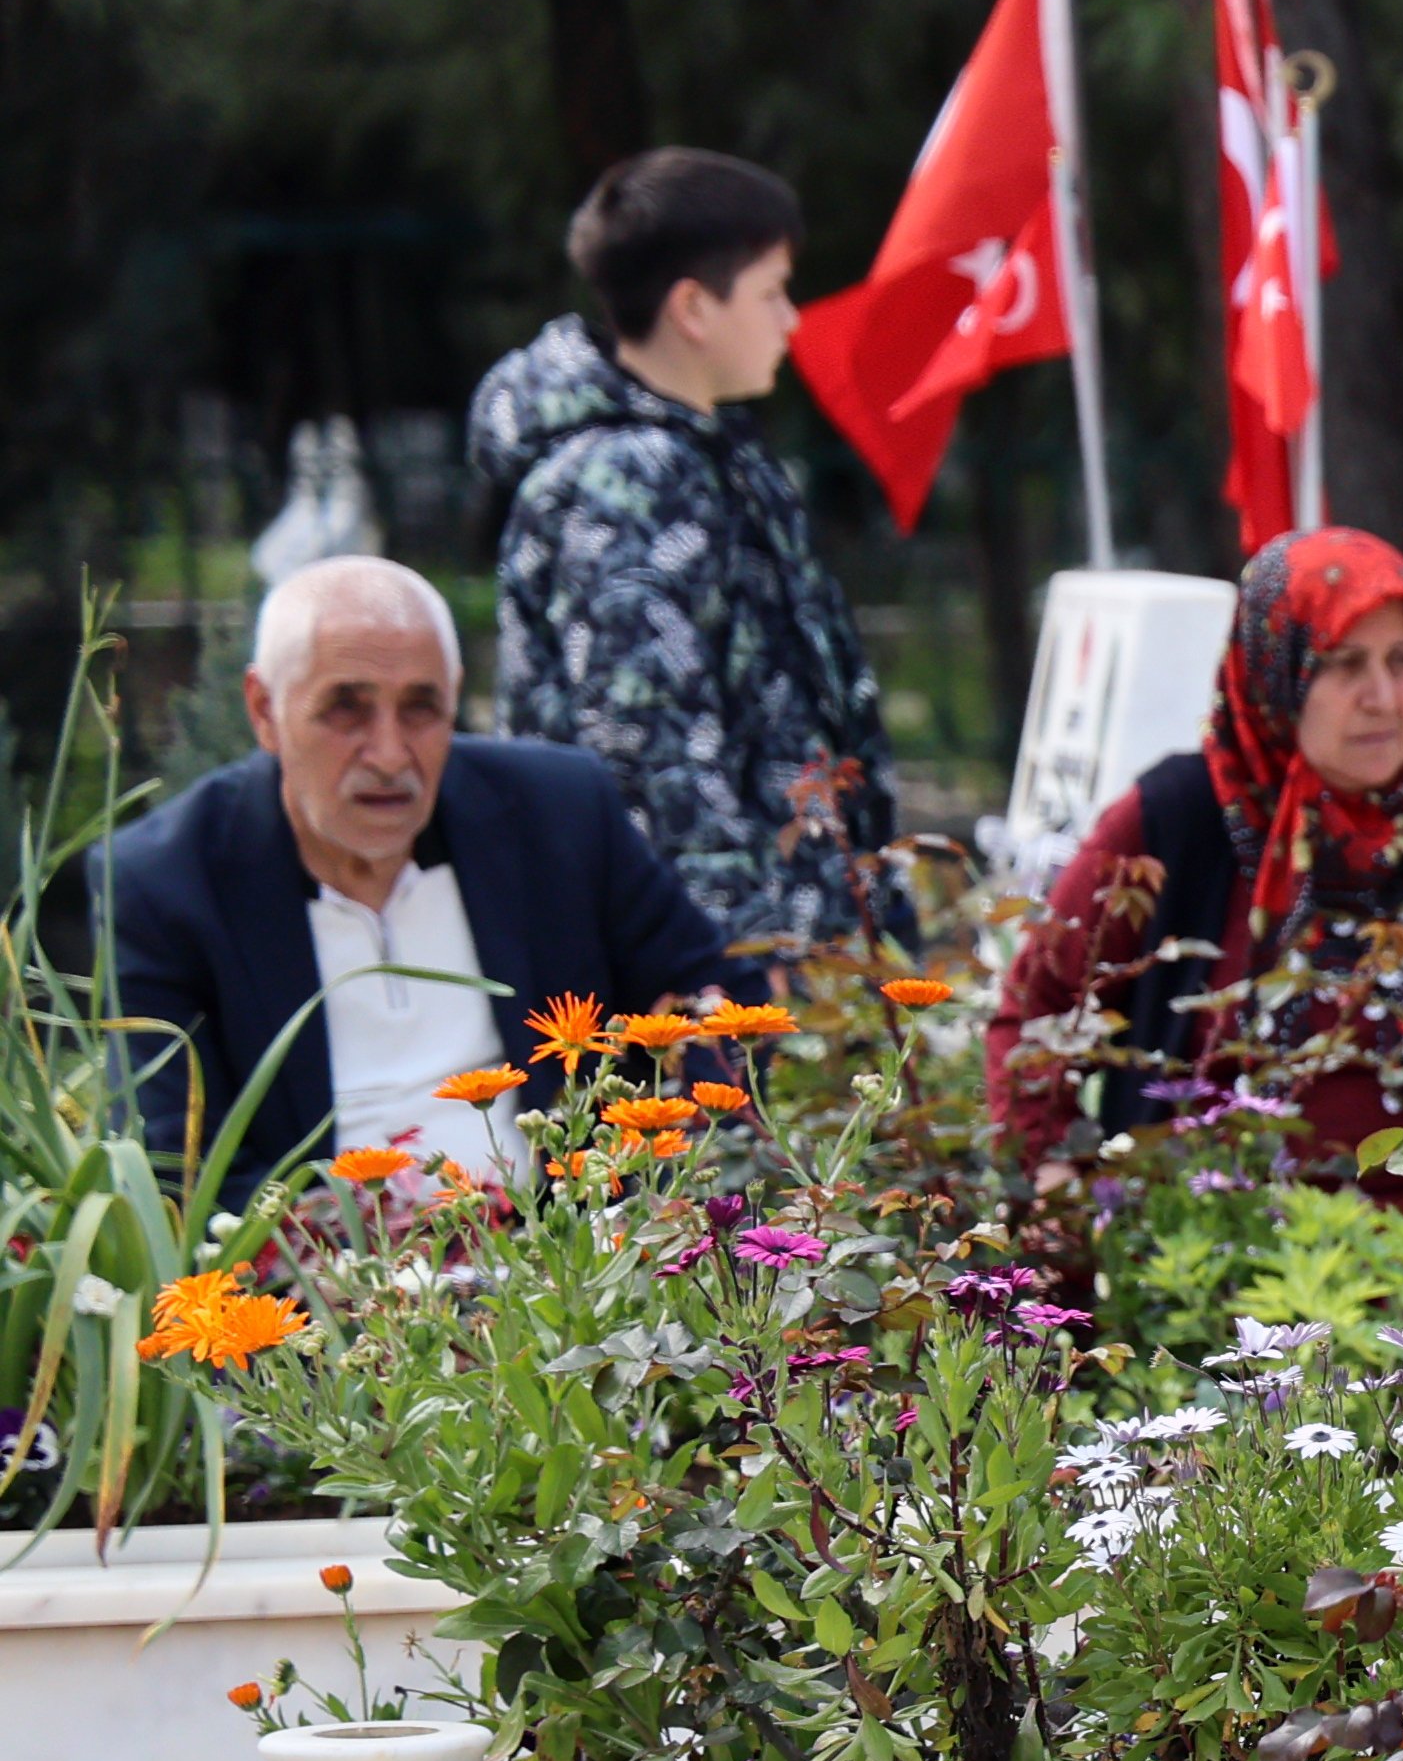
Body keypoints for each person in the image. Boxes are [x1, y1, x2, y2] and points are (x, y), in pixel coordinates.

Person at [986, 527, 1403, 1202]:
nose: (1383, 697)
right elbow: (1036, 1016)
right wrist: (1057, 1178)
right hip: (1201, 1263)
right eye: (1344, 664)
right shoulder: (1176, 820)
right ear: (1275, 669)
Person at [93, 555, 733, 1182]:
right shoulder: (167, 883)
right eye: (347, 707)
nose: (391, 754)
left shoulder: (557, 812)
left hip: (577, 1255)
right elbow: (181, 1168)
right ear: (265, 711)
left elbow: (713, 1001)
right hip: (327, 1275)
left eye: (421, 707)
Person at [469, 148, 901, 949]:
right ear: (694, 309)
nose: (791, 319)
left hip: (774, 934)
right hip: (707, 971)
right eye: (772, 293)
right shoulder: (624, 480)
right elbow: (649, 750)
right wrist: (736, 953)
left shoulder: (707, 453)